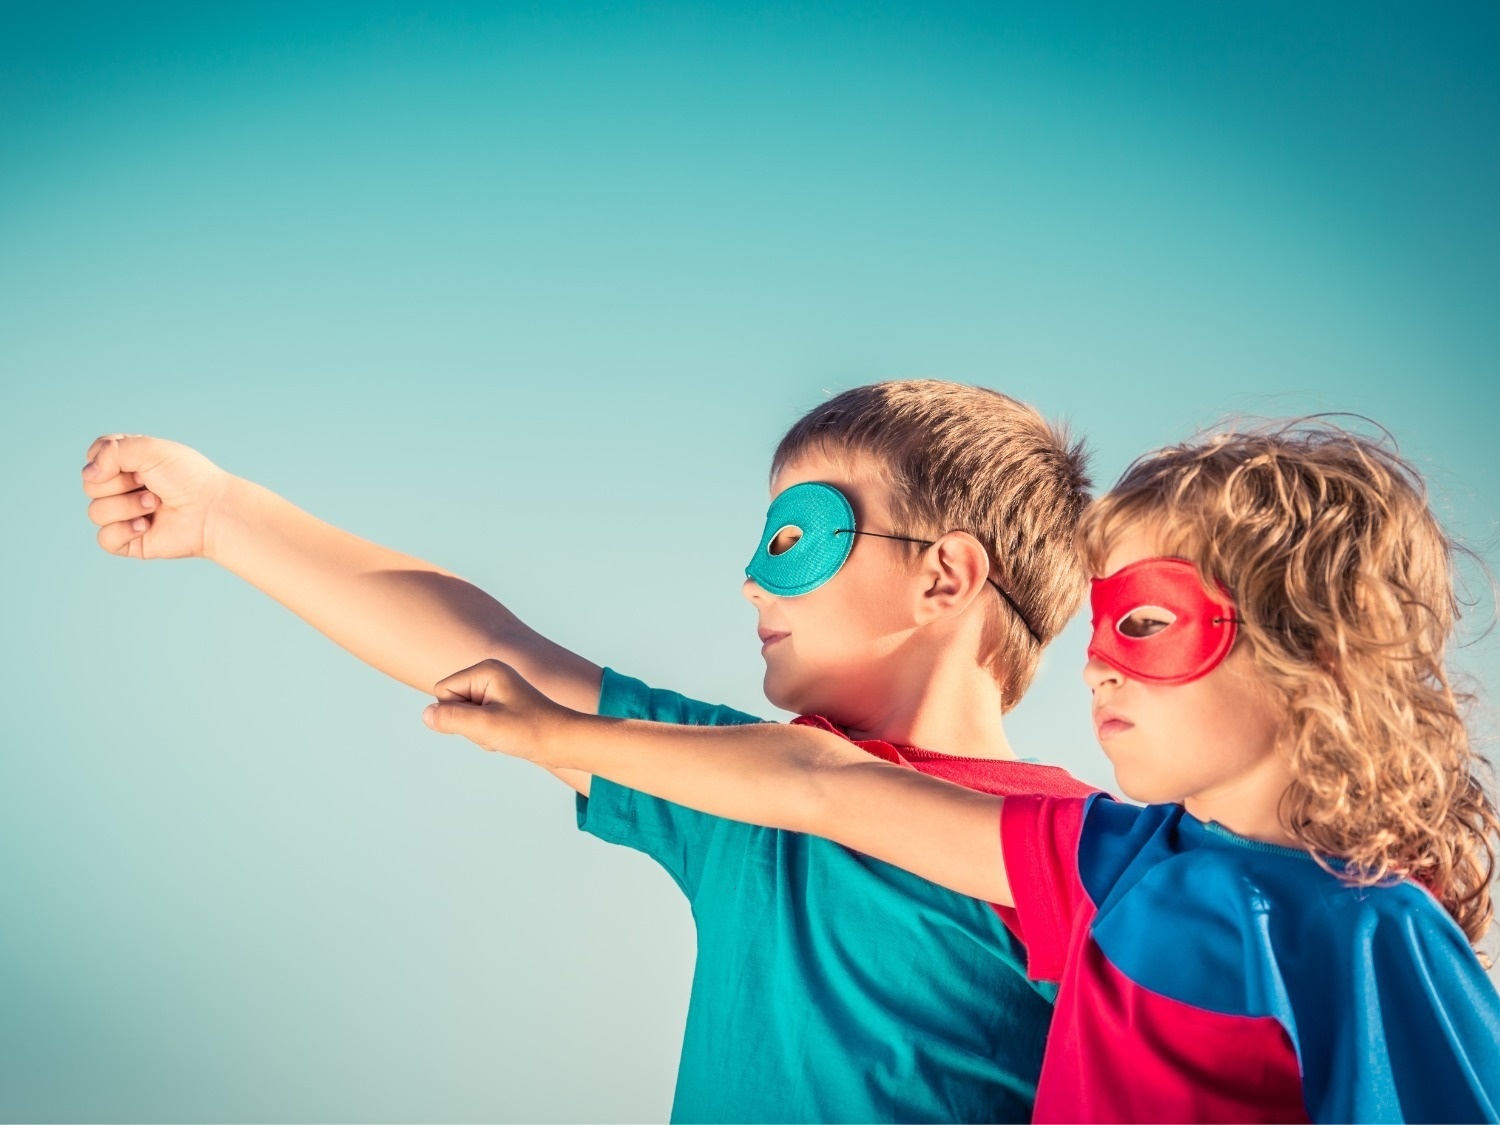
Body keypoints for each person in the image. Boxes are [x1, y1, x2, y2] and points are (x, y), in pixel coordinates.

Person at [424, 421, 1500, 1123]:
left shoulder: (1378, 934)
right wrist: (546, 735)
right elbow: (821, 783)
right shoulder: (1104, 864)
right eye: (1099, 628)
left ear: (1312, 646)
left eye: (1148, 621)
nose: (1101, 670)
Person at [80, 380, 1096, 1123]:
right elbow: (488, 648)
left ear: (947, 577)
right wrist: (223, 516)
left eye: (794, 541)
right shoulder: (734, 796)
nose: (750, 583)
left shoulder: (1093, 860)